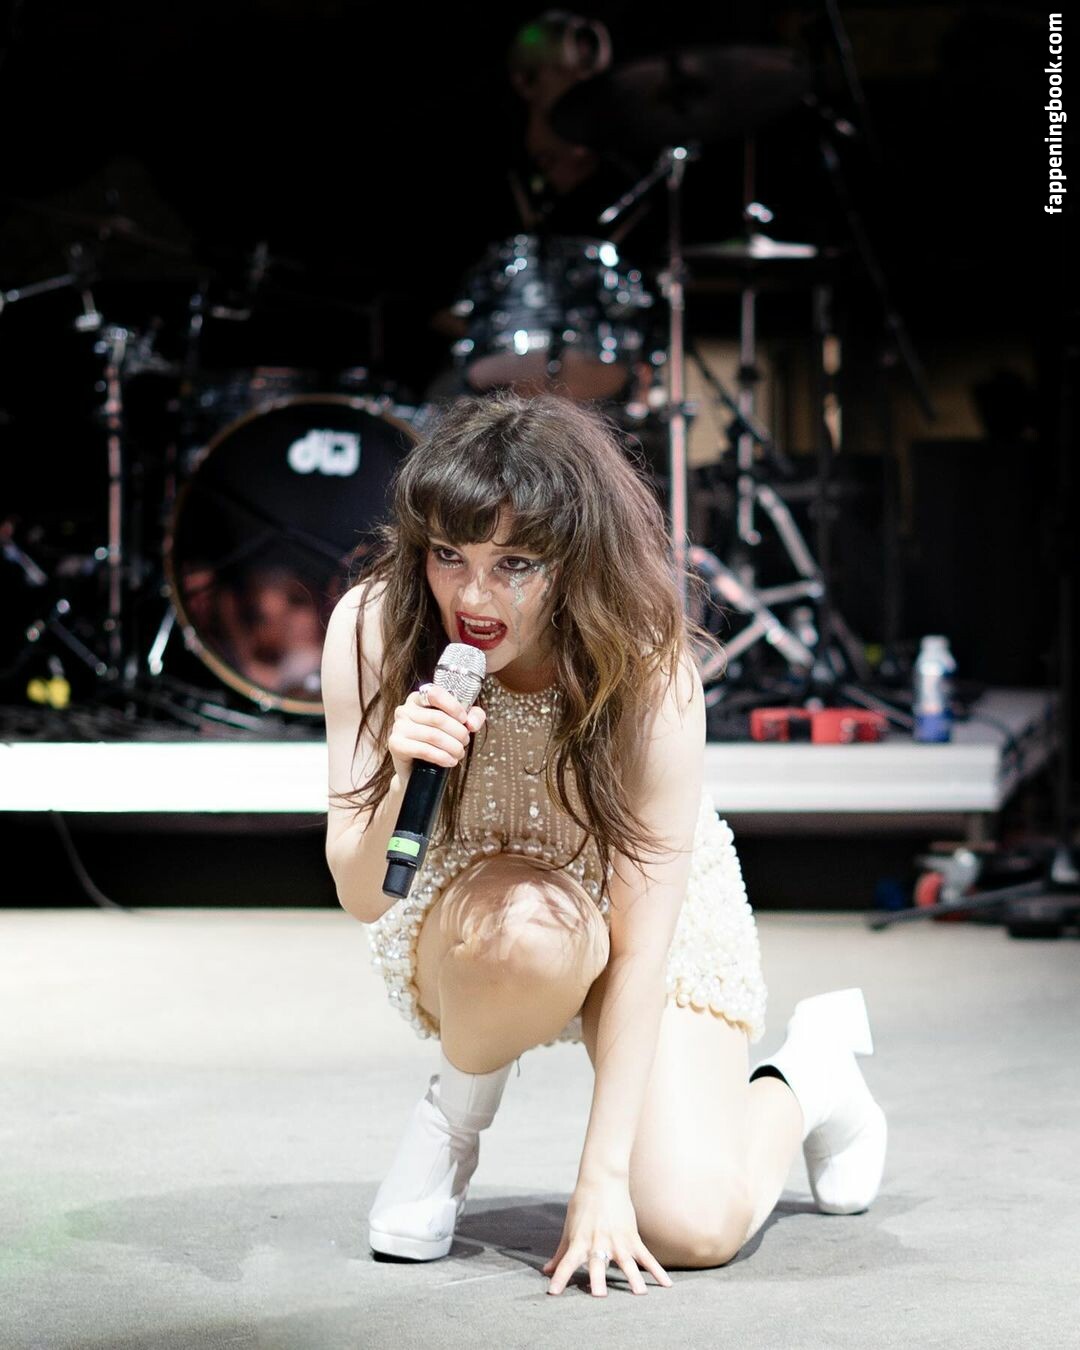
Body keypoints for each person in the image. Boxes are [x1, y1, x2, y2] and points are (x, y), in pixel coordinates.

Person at [321, 392, 887, 1297]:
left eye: (514, 563)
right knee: (523, 931)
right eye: (449, 555)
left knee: (690, 1227)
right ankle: (449, 1130)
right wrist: (398, 776)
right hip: (479, 913)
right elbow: (362, 894)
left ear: (574, 558)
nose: (473, 596)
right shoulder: (375, 626)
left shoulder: (645, 669)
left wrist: (604, 1179)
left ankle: (809, 1077)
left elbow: (643, 940)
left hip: (642, 917)